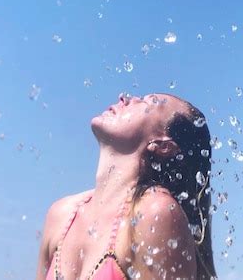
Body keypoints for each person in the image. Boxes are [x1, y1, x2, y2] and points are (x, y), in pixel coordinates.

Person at [35, 92, 218, 280]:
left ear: (163, 146)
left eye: (151, 102)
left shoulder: (155, 213)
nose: (125, 97)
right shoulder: (60, 214)